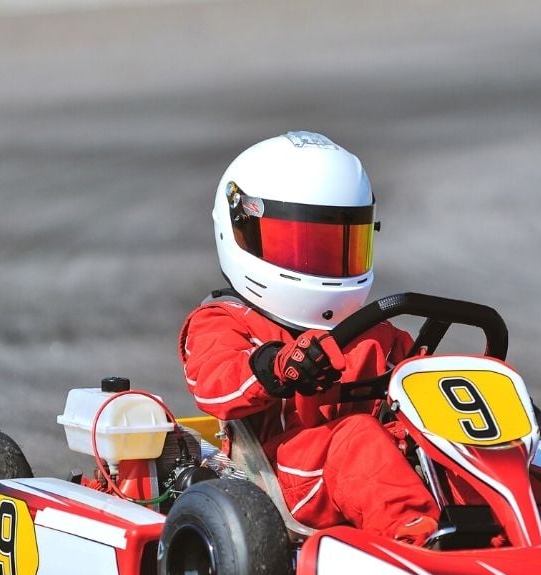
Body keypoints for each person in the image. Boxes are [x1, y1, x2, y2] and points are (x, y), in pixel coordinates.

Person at [179, 131, 440, 545]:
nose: (322, 264)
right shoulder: (224, 320)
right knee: (357, 437)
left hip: (372, 469)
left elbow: (418, 381)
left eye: (339, 246)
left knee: (452, 440)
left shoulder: (374, 333)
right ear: (243, 230)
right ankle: (417, 543)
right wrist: (275, 367)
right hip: (278, 480)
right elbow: (216, 382)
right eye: (303, 247)